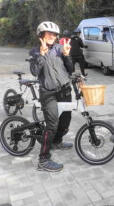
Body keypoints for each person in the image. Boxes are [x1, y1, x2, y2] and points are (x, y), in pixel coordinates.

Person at [29, 21, 74, 172]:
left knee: (65, 121)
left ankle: (57, 142)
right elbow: (35, 72)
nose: (52, 37)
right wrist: (41, 55)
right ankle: (43, 159)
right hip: (48, 92)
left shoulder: (60, 49)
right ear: (41, 35)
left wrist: (67, 56)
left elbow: (70, 69)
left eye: (54, 35)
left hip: (65, 90)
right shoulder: (35, 51)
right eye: (49, 34)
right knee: (52, 125)